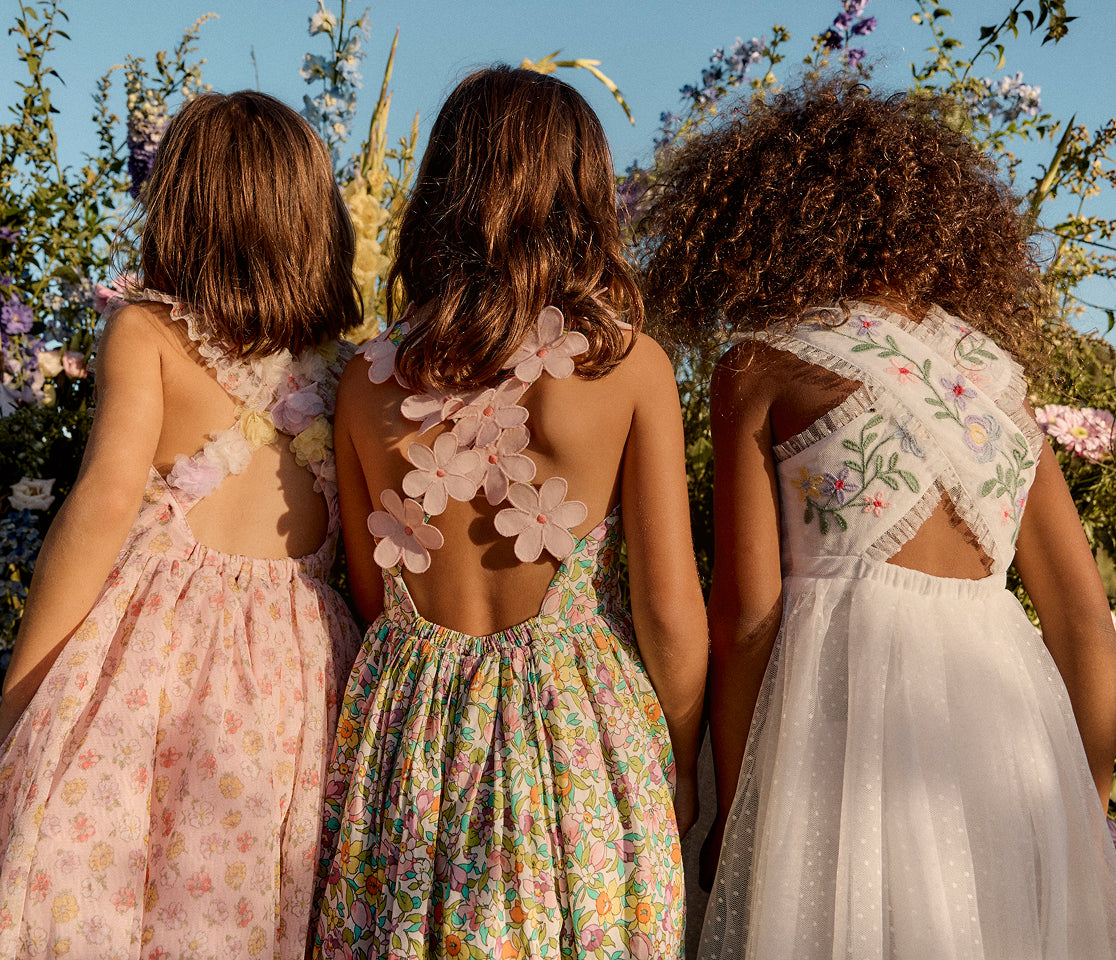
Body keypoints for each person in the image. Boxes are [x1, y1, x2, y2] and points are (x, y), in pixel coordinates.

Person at [641, 80, 1116, 958]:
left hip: (838, 735)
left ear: (773, 216)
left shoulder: (767, 363)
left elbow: (747, 617)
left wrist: (736, 806)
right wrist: (1082, 811)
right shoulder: (999, 385)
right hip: (1007, 749)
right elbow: (1086, 619)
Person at [312, 66, 707, 959]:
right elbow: (670, 609)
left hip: (408, 733)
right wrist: (684, 761)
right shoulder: (628, 367)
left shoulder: (366, 383)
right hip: (578, 733)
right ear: (583, 197)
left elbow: (378, 600)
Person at [0, 91, 362, 958]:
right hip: (297, 681)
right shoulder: (353, 374)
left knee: (109, 893)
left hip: (151, 662)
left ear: (183, 211)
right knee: (257, 907)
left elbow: (100, 507)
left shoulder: (147, 334)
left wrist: (23, 691)